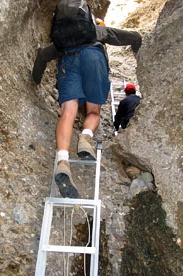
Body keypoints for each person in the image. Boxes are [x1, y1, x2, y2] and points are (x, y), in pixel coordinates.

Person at [32, 24, 142, 199]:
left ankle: (62, 161)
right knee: (93, 111)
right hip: (94, 58)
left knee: (68, 112)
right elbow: (133, 36)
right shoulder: (96, 30)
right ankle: (85, 138)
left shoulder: (65, 35)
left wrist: (36, 80)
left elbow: (43, 56)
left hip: (68, 59)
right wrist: (137, 46)